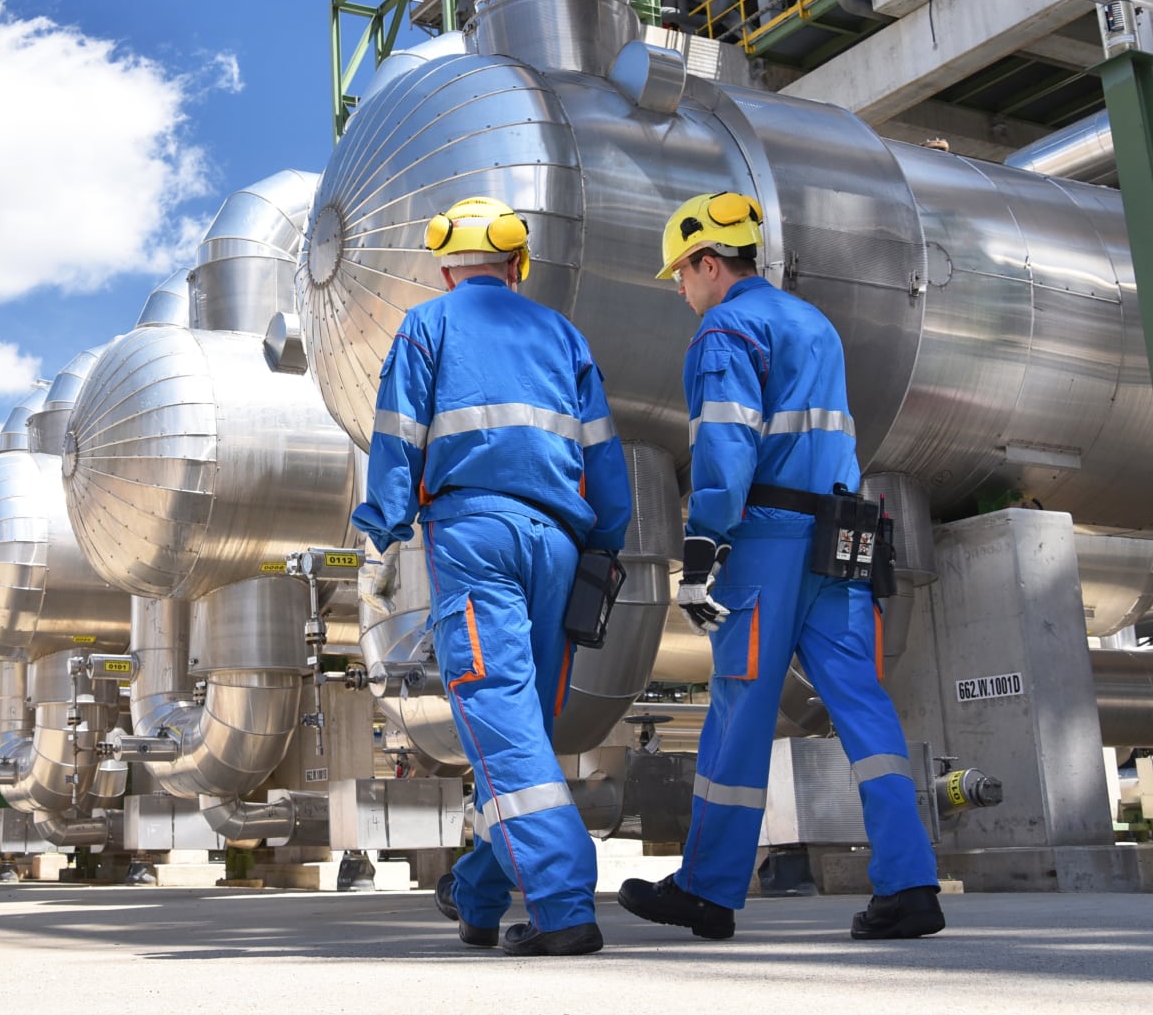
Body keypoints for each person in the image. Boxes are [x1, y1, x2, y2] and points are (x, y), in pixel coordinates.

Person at [618, 191, 944, 942]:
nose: (678, 287)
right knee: (862, 703)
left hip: (766, 538)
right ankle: (911, 883)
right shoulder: (813, 324)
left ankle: (707, 887)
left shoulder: (724, 329)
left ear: (710, 263)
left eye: (680, 272)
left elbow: (727, 450)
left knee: (740, 706)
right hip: (841, 537)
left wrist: (703, 546)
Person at [352, 196, 632, 957]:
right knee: (519, 729)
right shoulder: (563, 334)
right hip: (561, 547)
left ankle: (565, 898)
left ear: (446, 267)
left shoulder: (428, 324)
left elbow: (396, 431)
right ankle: (477, 893)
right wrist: (605, 543)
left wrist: (381, 523)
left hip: (476, 538)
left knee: (500, 725)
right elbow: (606, 458)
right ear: (517, 265)